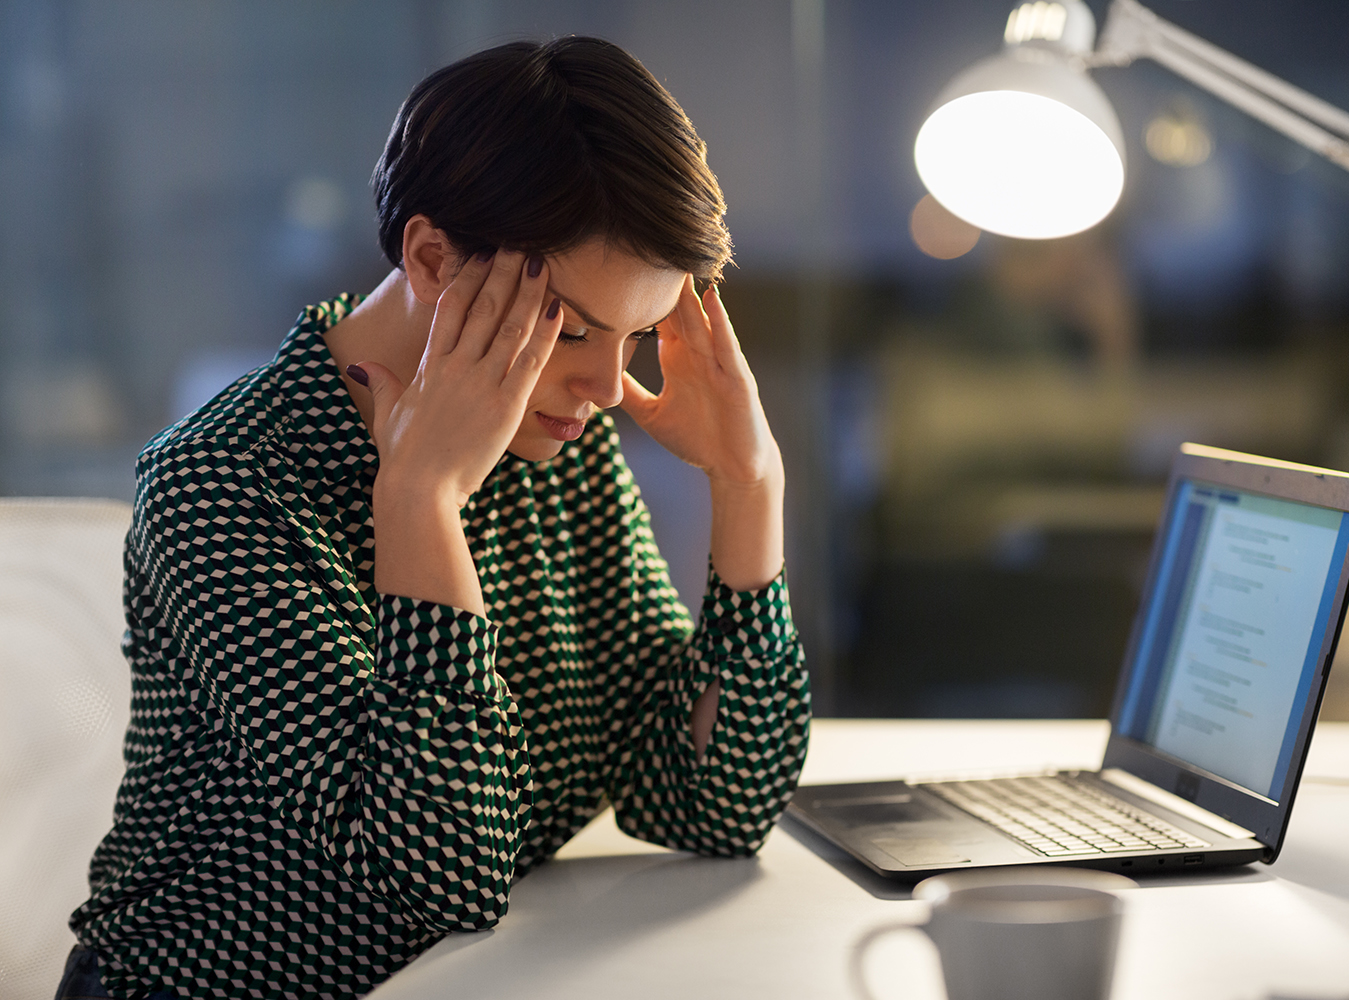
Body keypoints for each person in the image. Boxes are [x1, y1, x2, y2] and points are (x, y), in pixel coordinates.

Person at [60, 37, 809, 1000]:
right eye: (572, 329)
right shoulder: (223, 482)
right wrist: (420, 501)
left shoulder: (554, 443)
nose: (608, 386)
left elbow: (711, 802)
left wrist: (750, 483)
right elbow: (434, 880)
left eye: (635, 337)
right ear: (429, 256)